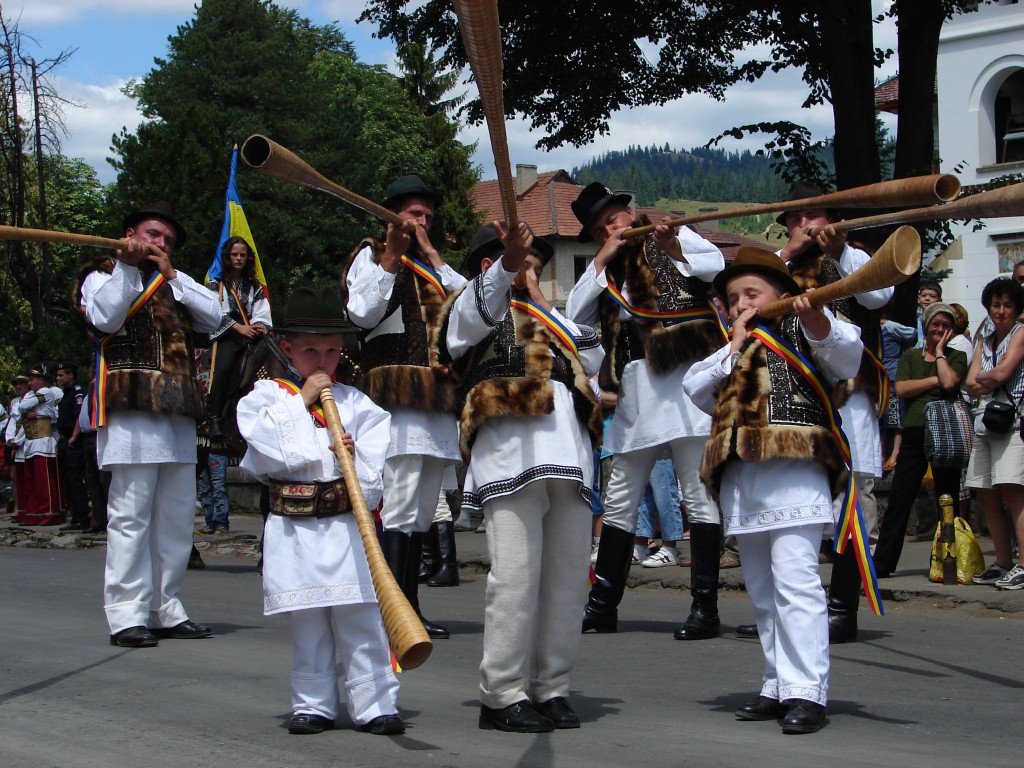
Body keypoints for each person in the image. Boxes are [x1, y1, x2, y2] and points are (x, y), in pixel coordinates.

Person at [683, 247, 863, 734]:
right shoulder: (731, 349)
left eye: (752, 294)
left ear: (782, 295)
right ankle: (777, 683)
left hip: (795, 470)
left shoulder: (804, 328)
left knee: (795, 583)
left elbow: (848, 358)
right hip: (744, 480)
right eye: (733, 298)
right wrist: (734, 344)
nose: (741, 304)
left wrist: (817, 317)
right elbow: (695, 389)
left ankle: (808, 691)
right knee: (762, 590)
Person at [436, 221, 603, 732]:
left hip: (571, 459)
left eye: (533, 266)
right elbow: (465, 324)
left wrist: (544, 306)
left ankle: (552, 686)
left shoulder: (553, 322)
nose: (529, 273)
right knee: (514, 578)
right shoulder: (471, 308)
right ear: (490, 265)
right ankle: (502, 693)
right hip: (510, 458)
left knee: (568, 581)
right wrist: (508, 268)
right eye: (519, 263)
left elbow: (593, 356)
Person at [236, 286, 403, 736]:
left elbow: (375, 468)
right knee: (308, 621)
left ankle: (376, 703)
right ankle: (312, 703)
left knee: (361, 616)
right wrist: (303, 401)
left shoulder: (356, 402)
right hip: (295, 531)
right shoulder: (266, 397)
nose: (323, 361)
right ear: (287, 348)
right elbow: (265, 450)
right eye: (311, 350)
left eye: (331, 351)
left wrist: (352, 452)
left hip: (348, 527)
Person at [565, 182, 726, 640]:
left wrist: (673, 246)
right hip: (638, 386)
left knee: (698, 493)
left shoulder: (669, 232)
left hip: (688, 380)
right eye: (600, 229)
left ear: (629, 212)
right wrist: (601, 259)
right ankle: (602, 606)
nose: (611, 229)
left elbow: (714, 265)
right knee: (620, 497)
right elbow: (574, 317)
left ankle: (705, 609)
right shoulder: (606, 268)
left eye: (613, 219)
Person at [78, 202, 222, 648]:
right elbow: (104, 318)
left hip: (177, 410)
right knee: (131, 516)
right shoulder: (102, 275)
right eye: (154, 234)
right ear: (130, 234)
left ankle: (165, 607)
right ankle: (126, 614)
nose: (161, 244)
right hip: (133, 408)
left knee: (176, 518)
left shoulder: (175, 281)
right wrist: (127, 265)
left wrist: (173, 275)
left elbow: (216, 317)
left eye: (168, 240)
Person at [343, 174, 466, 639]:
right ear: (393, 216)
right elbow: (361, 313)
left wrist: (432, 253)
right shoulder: (371, 255)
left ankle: (409, 607)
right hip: (395, 403)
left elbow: (470, 304)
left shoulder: (434, 268)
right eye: (415, 214)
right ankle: (391, 613)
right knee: (398, 506)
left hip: (436, 404)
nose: (423, 221)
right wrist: (392, 258)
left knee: (421, 512)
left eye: (428, 215)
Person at [776, 185, 891, 643]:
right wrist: (789, 253)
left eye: (813, 214)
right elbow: (747, 296)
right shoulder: (779, 265)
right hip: (797, 397)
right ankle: (795, 609)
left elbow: (879, 294)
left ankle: (843, 610)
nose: (805, 223)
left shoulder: (853, 256)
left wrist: (840, 252)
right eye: (796, 217)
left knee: (851, 502)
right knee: (792, 502)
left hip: (847, 395)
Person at [873, 303, 969, 578]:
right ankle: (883, 563)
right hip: (915, 430)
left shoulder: (957, 356)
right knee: (900, 497)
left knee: (947, 498)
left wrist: (939, 355)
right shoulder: (910, 356)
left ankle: (948, 561)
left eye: (945, 325)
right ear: (926, 327)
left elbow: (950, 383)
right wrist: (934, 379)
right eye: (935, 324)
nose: (940, 329)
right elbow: (902, 388)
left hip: (945, 432)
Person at [966, 277, 1024, 590]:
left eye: (1007, 305)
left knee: (1013, 493)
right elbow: (968, 381)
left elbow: (1003, 372)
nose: (1001, 311)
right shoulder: (984, 340)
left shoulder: (1021, 333)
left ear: (1016, 309)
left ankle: (1023, 564)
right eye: (996, 304)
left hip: (1012, 423)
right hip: (984, 421)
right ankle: (1002, 561)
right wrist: (985, 380)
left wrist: (983, 379)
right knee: (986, 494)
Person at [205, 236, 273, 440]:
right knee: (225, 365)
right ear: (227, 257)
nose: (238, 258)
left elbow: (262, 312)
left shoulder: (254, 286)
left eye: (242, 255)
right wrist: (238, 328)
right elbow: (212, 312)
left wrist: (259, 326)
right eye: (234, 254)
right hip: (228, 335)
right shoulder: (216, 285)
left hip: (251, 334)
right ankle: (214, 417)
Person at [9, 368, 64, 525]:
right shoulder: (30, 395)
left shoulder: (45, 392)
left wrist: (24, 410)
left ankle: (49, 513)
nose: (29, 383)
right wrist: (25, 413)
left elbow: (22, 407)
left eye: (32, 379)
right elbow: (17, 409)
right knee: (31, 482)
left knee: (44, 481)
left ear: (41, 380)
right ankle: (33, 514)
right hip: (30, 441)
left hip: (43, 441)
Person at [55, 363, 89, 532]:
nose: (58, 378)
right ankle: (75, 516)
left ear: (71, 375)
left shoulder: (77, 393)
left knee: (75, 480)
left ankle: (82, 518)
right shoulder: (65, 394)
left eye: (61, 375)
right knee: (68, 480)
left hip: (73, 441)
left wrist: (74, 437)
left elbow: (79, 416)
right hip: (63, 440)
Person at [4, 372, 31, 521]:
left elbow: (26, 424)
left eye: (21, 383)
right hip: (15, 443)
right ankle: (19, 507)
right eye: (16, 384)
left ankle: (28, 508)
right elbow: (12, 423)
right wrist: (10, 439)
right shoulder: (15, 402)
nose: (18, 386)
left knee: (27, 476)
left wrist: (18, 441)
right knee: (15, 476)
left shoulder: (32, 399)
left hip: (26, 442)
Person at [915, 281, 942, 349]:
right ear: (918, 299)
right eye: (924, 295)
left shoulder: (941, 319)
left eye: (932, 296)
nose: (927, 299)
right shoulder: (917, 319)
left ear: (939, 301)